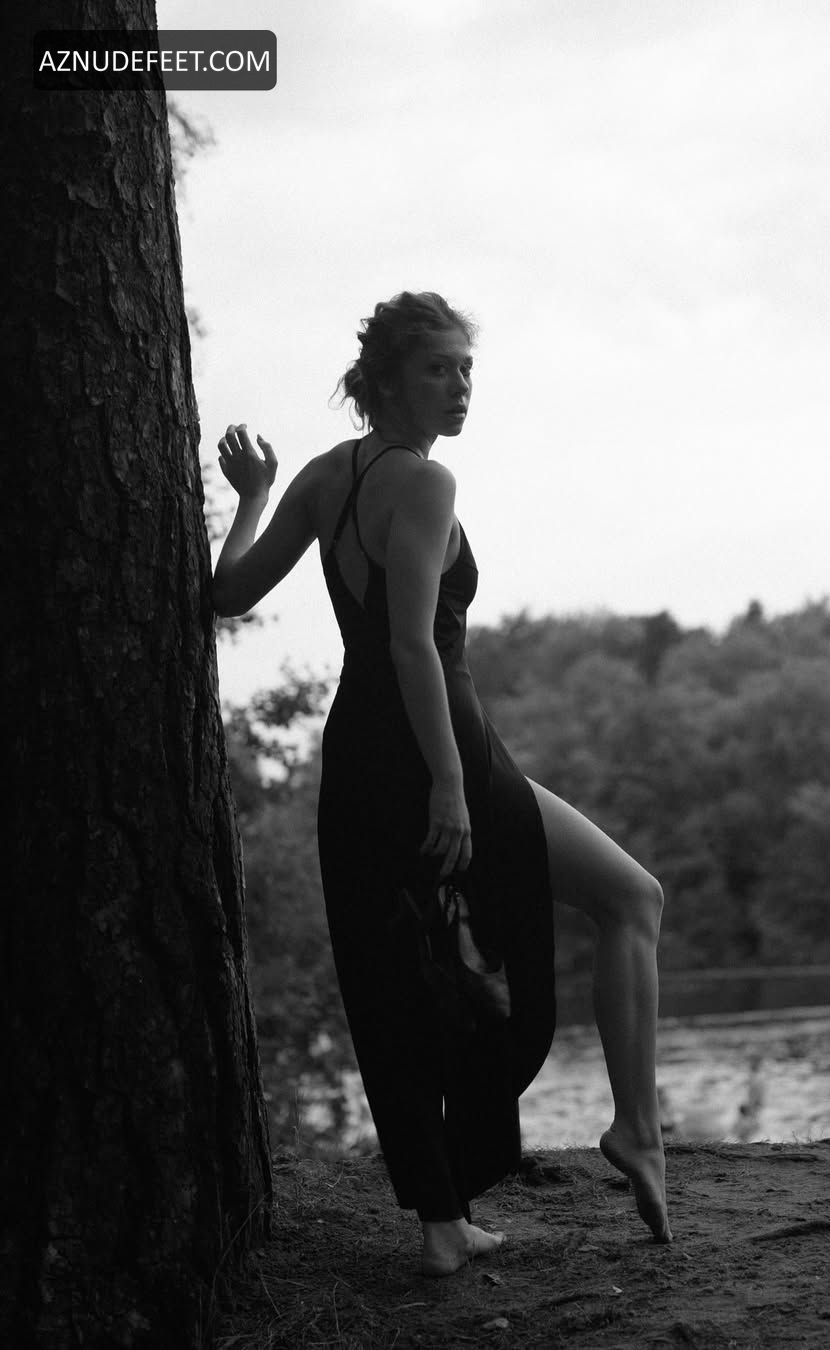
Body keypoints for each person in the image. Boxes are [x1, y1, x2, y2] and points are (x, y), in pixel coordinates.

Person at [213, 290, 671, 1275]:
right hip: (440, 746)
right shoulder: (425, 482)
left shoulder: (323, 478)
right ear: (384, 382)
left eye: (467, 368)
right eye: (438, 369)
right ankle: (636, 1129)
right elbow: (414, 644)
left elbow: (226, 594)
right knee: (631, 897)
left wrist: (252, 497)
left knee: (399, 982)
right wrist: (453, 788)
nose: (460, 386)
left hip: (357, 753)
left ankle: (443, 1224)